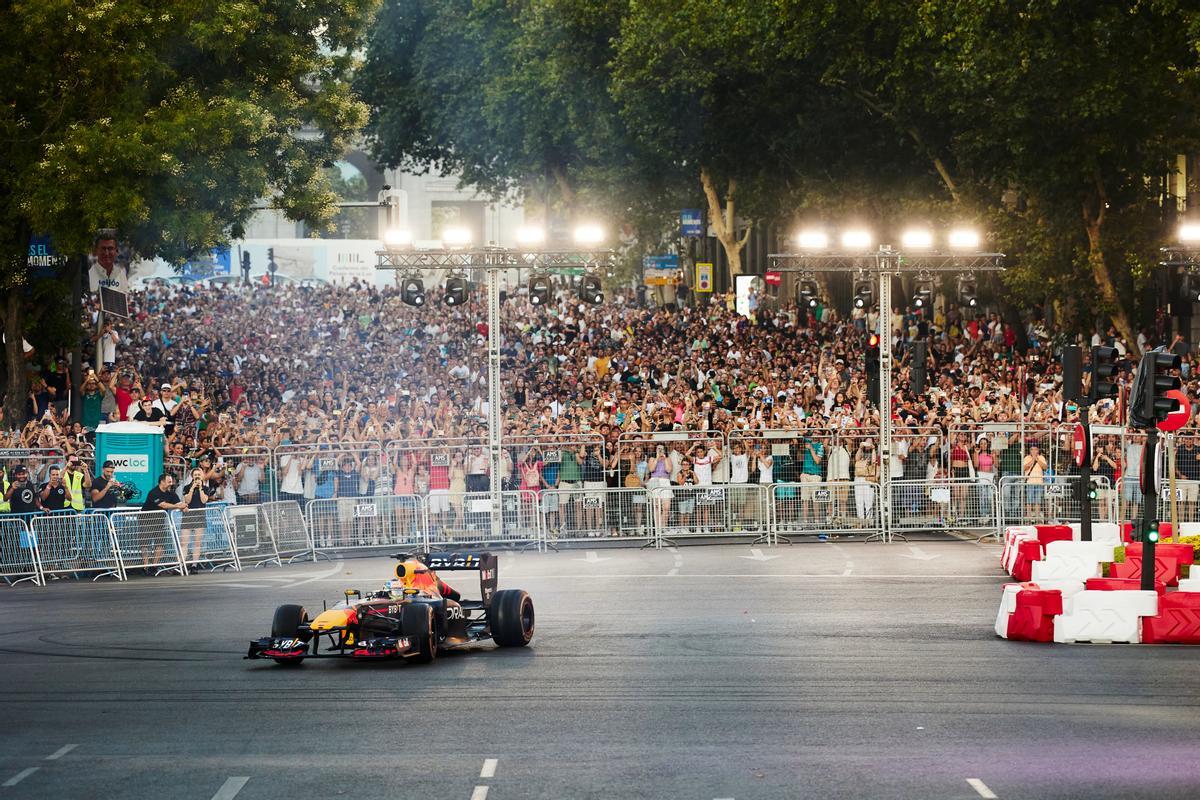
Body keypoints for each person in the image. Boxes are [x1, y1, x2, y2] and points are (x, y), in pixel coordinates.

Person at [141, 473, 185, 568]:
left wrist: (184, 507)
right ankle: (146, 566)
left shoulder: (171, 493)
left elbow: (179, 503)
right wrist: (177, 506)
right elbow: (163, 505)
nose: (171, 484)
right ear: (162, 482)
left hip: (159, 520)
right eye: (169, 482)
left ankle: (154, 566)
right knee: (145, 544)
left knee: (160, 543)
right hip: (145, 519)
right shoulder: (154, 492)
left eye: (171, 482)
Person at [179, 468, 210, 568]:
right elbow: (187, 501)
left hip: (199, 516)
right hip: (188, 516)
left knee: (197, 542)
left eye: (199, 474)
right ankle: (181, 564)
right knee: (184, 542)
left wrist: (200, 488)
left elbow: (204, 500)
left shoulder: (205, 488)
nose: (197, 476)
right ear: (192, 476)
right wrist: (192, 488)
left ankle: (194, 565)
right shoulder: (187, 487)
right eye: (195, 474)